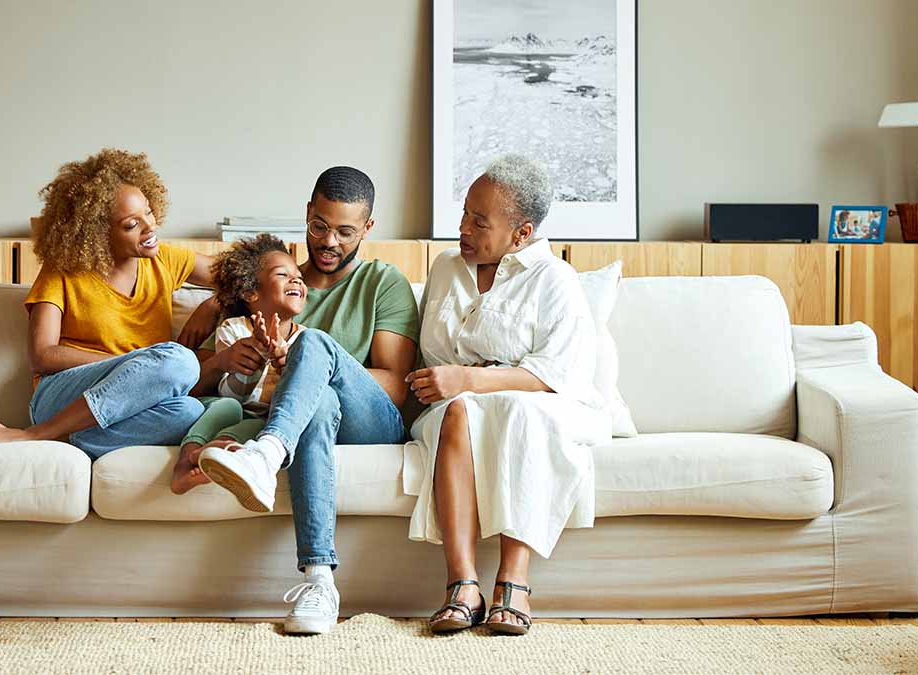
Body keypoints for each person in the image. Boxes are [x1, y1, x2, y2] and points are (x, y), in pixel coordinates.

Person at [181, 166, 420, 635]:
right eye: (320, 226)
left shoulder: (382, 282)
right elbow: (201, 384)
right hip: (314, 421)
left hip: (371, 423)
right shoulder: (272, 284)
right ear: (307, 214)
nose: (330, 241)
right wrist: (216, 301)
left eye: (346, 232)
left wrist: (304, 369)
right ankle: (319, 581)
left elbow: (394, 383)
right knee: (318, 406)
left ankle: (266, 454)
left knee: (313, 347)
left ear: (368, 229)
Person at [409, 155, 609, 635]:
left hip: (539, 406)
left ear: (522, 233)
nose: (463, 228)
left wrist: (471, 378)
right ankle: (462, 583)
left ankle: (513, 582)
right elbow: (433, 359)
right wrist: (460, 383)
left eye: (480, 221)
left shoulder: (553, 279)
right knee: (458, 412)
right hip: (455, 406)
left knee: (520, 412)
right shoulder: (445, 268)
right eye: (464, 214)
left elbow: (555, 374)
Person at [0, 149, 216, 458]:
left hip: (130, 403)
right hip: (62, 395)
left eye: (149, 213)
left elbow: (242, 278)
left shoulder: (166, 259)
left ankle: (69, 438)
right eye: (131, 225)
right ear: (98, 234)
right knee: (181, 362)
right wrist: (131, 364)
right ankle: (37, 432)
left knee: (191, 412)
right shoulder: (63, 270)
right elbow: (42, 354)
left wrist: (214, 303)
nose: (150, 227)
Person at [170, 234, 307, 494]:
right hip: (227, 403)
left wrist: (283, 364)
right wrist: (256, 355)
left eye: (298, 275)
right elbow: (233, 393)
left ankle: (214, 453)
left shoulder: (305, 343)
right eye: (283, 275)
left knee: (259, 426)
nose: (296, 279)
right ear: (250, 292)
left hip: (262, 416)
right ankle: (184, 463)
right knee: (228, 407)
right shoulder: (233, 330)